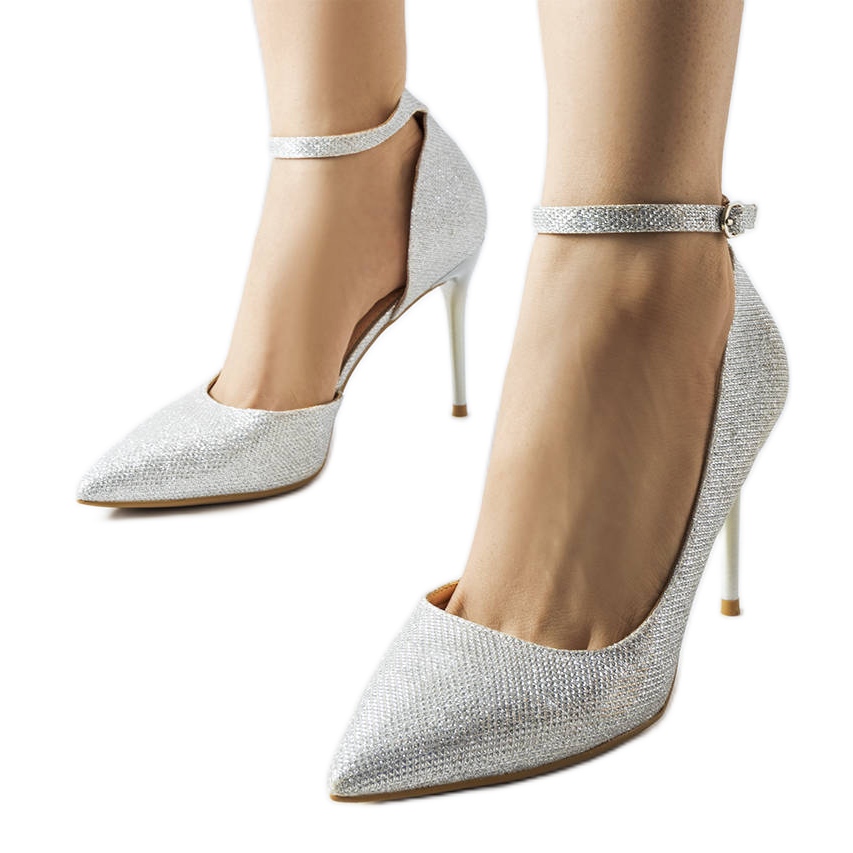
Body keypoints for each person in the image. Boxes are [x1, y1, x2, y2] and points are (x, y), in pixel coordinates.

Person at [78, 1, 787, 800]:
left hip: (647, 278)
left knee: (627, 188)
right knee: (328, 105)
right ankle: (350, 163)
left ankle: (637, 276)